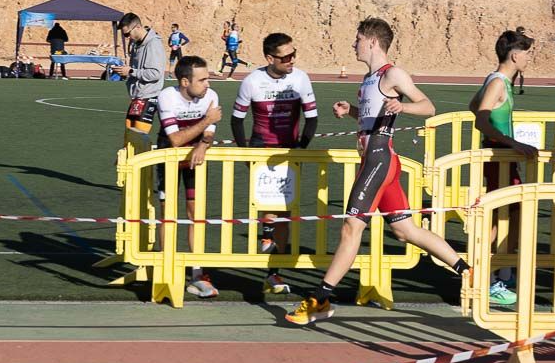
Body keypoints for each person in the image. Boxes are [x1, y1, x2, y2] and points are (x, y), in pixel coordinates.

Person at [285, 18, 471, 325]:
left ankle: (321, 298)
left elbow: (428, 106)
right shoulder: (369, 78)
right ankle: (467, 271)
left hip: (379, 159)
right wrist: (352, 113)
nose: (353, 43)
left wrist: (404, 108)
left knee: (351, 228)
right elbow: (375, 114)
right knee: (405, 230)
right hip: (375, 160)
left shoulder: (392, 74)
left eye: (357, 38)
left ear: (372, 42)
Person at [231, 33, 319, 295]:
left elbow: (312, 118)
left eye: (294, 54)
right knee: (266, 208)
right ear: (270, 58)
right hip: (261, 150)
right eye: (286, 57)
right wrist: (246, 155)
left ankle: (273, 274)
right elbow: (237, 121)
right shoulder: (252, 81)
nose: (292, 60)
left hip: (290, 152)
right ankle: (266, 240)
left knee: (285, 213)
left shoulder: (300, 78)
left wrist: (301, 150)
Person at [468, 29, 539, 307]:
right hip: (499, 158)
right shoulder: (498, 82)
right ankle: (489, 279)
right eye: (527, 54)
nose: (528, 59)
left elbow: (474, 105)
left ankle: (497, 273)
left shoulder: (497, 80)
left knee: (508, 217)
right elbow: (481, 120)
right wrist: (511, 141)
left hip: (504, 156)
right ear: (514, 55)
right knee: (505, 219)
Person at [156, 55, 223, 299]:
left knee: (196, 213)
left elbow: (208, 135)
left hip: (196, 159)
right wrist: (206, 120)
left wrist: (203, 145)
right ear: (185, 81)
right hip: (169, 158)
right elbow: (174, 140)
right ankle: (166, 266)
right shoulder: (167, 96)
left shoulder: (211, 96)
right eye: (202, 79)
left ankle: (197, 273)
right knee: (168, 214)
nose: (208, 83)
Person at [113, 12, 167, 134]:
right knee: (130, 135)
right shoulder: (137, 44)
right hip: (137, 97)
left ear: (137, 27)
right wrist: (125, 71)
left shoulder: (153, 44)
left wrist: (131, 71)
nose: (128, 37)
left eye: (128, 34)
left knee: (139, 138)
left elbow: (155, 74)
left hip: (148, 96)